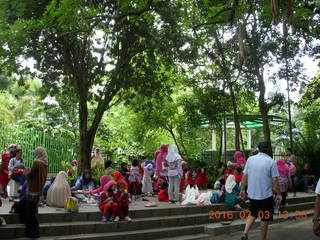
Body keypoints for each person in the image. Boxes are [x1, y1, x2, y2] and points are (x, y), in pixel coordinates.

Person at [240, 142, 281, 240]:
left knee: (253, 213)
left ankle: (245, 232)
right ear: (267, 149)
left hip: (252, 194)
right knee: (264, 217)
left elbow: (245, 175)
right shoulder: (271, 161)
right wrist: (278, 193)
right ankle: (263, 238)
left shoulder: (250, 159)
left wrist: (242, 189)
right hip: (266, 195)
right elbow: (275, 180)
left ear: (258, 148)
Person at [20, 147, 48, 238]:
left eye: (36, 153)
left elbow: (30, 175)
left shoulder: (37, 162)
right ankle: (35, 233)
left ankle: (32, 233)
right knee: (33, 211)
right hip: (38, 190)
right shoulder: (45, 164)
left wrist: (23, 172)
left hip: (32, 190)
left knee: (30, 213)